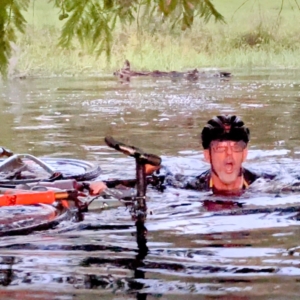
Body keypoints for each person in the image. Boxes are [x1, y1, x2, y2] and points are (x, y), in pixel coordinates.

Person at [164, 115, 274, 196]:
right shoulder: (192, 187)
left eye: (236, 147)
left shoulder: (265, 184)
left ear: (244, 154)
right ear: (207, 155)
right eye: (220, 148)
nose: (229, 153)